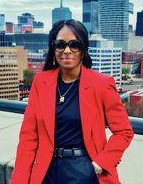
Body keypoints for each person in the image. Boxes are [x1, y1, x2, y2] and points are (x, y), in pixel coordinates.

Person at [11, 19, 134, 184]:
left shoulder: (101, 84)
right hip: (46, 171)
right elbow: (28, 138)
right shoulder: (41, 82)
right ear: (53, 49)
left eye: (74, 44)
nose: (67, 50)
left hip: (83, 170)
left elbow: (124, 132)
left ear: (83, 49)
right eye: (60, 44)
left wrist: (99, 165)